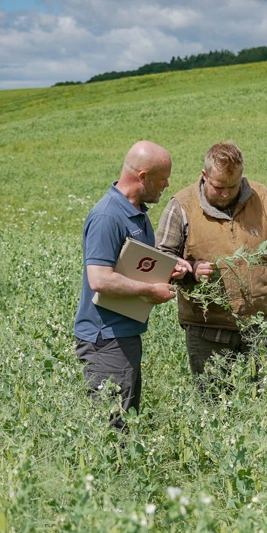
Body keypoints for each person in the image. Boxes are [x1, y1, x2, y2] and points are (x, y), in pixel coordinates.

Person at [157, 141, 267, 380]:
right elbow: (163, 258)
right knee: (214, 404)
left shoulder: (261, 198)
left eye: (233, 185)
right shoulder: (181, 206)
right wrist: (191, 271)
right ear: (204, 176)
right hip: (208, 331)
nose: (226, 193)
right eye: (219, 187)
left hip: (262, 326)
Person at [73, 140, 191, 428]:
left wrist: (168, 269)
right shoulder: (107, 216)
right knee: (110, 427)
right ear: (143, 177)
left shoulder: (135, 211)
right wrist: (150, 290)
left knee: (124, 421)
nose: (167, 185)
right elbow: (99, 279)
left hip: (123, 334)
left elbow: (134, 265)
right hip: (105, 340)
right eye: (163, 179)